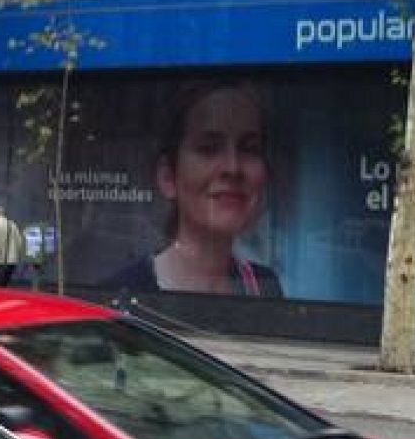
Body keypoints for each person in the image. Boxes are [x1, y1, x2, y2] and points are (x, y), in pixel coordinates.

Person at [105, 79, 282, 296]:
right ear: (168, 177)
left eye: (249, 149)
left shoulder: (265, 286)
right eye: (208, 149)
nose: (233, 167)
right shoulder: (121, 293)